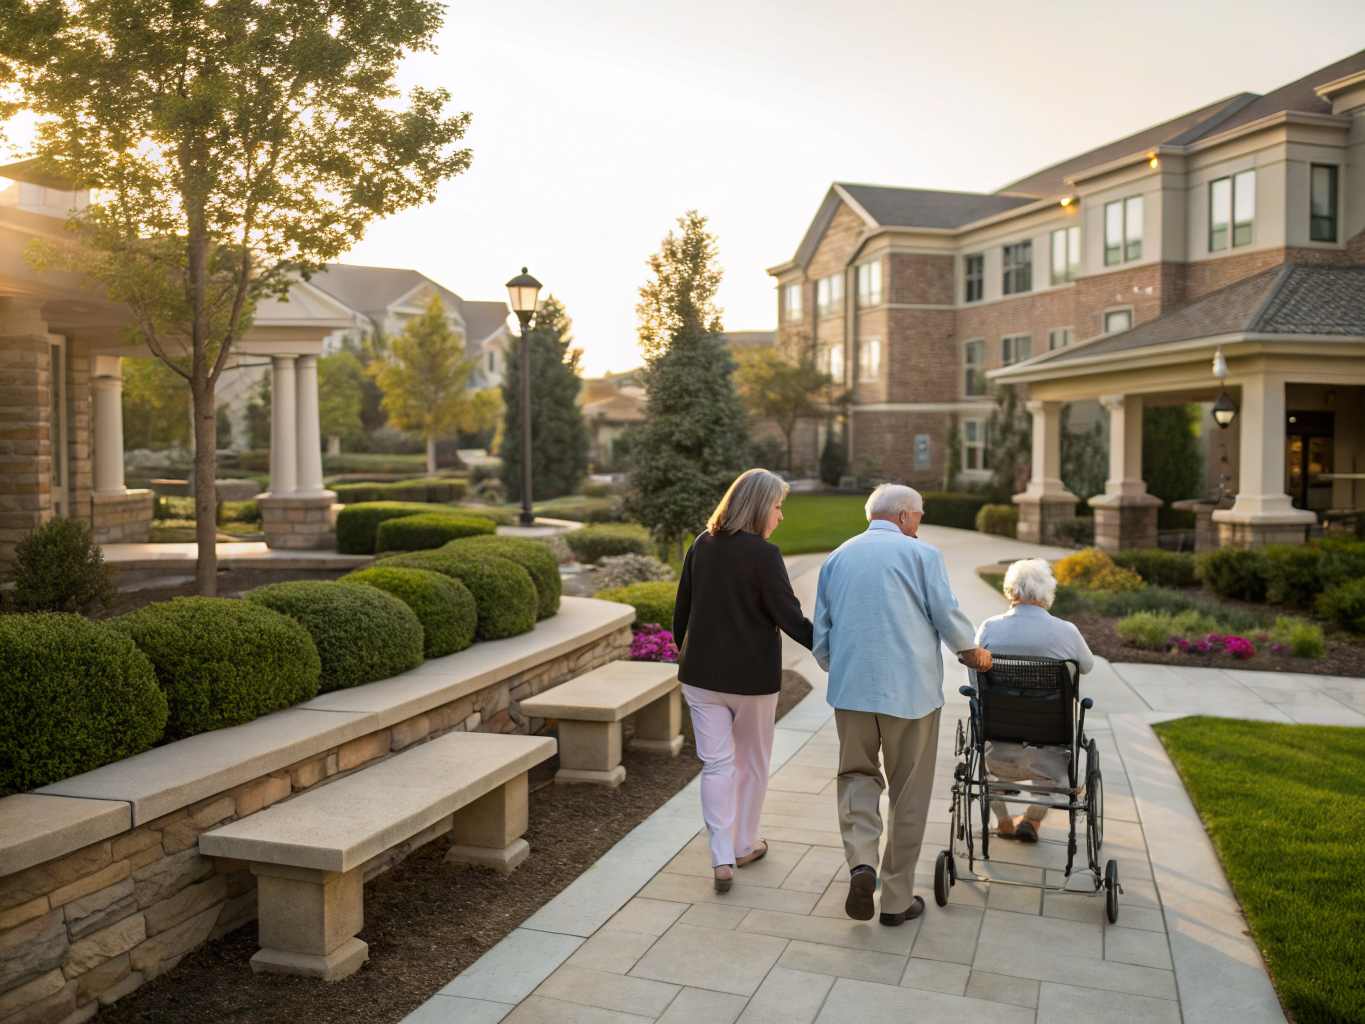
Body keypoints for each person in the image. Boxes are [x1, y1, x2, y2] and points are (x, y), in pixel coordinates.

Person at [812, 483, 992, 925]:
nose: (920, 524)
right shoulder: (922, 554)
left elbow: (822, 633)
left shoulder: (837, 557)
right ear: (904, 516)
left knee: (856, 777)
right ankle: (894, 901)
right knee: (908, 793)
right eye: (920, 515)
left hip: (852, 691)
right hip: (910, 693)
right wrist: (972, 652)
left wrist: (845, 669)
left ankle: (862, 864)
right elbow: (945, 613)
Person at [673, 468, 814, 892]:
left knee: (716, 764)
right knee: (752, 762)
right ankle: (743, 845)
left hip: (700, 676)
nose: (780, 516)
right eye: (777, 506)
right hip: (752, 681)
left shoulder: (701, 544)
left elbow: (682, 611)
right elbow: (790, 617)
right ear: (758, 506)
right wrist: (834, 649)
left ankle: (721, 859)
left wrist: (690, 654)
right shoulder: (764, 555)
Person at [975, 558, 1095, 843]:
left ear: (1011, 591)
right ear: (1047, 595)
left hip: (997, 751)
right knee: (1061, 768)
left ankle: (1004, 821)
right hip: (1050, 752)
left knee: (983, 758)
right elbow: (1087, 666)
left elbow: (975, 679)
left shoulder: (989, 628)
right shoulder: (1067, 631)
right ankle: (1031, 818)